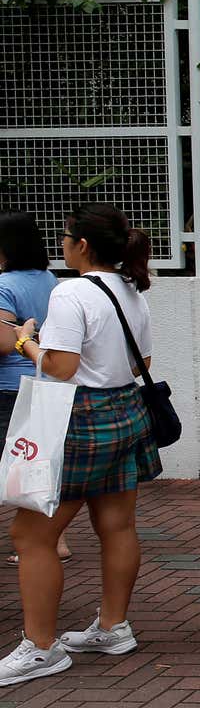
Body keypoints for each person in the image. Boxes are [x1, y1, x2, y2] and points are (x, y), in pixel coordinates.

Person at [0, 203, 162, 687]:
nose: (61, 244)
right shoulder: (131, 288)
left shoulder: (72, 292)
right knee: (116, 524)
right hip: (125, 409)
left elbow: (61, 367)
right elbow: (142, 361)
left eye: (66, 236)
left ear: (83, 245)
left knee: (31, 537)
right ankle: (114, 626)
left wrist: (26, 341)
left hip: (78, 417)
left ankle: (41, 647)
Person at [0, 210, 70, 566]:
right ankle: (55, 537)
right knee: (40, 459)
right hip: (44, 378)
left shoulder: (4, 286)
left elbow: (1, 342)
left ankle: (36, 538)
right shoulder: (49, 278)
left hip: (10, 384)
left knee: (16, 463)